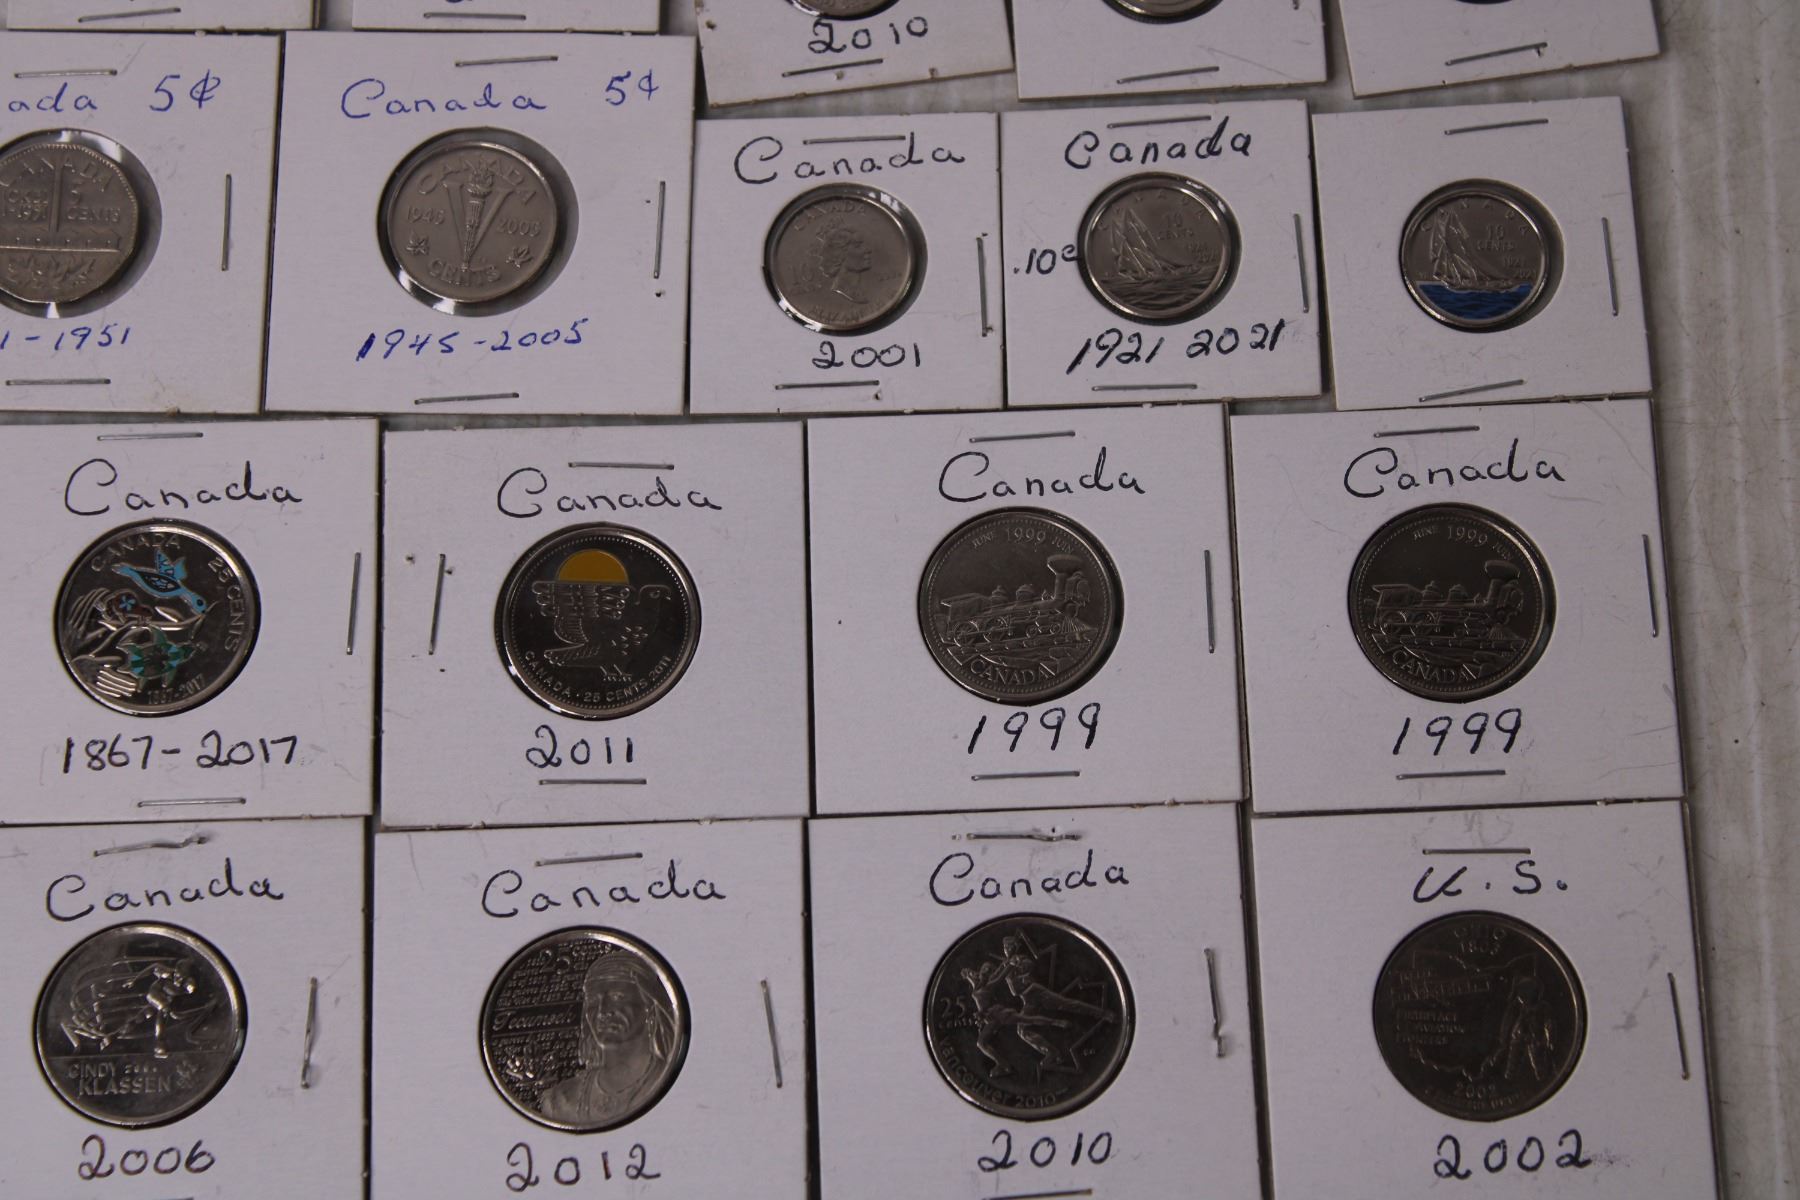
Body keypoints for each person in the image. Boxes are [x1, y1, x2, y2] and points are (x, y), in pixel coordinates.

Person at [536, 952, 679, 1127]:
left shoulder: (675, 1087)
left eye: (617, 997)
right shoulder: (560, 1100)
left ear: (649, 1006)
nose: (603, 1011)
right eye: (593, 1001)